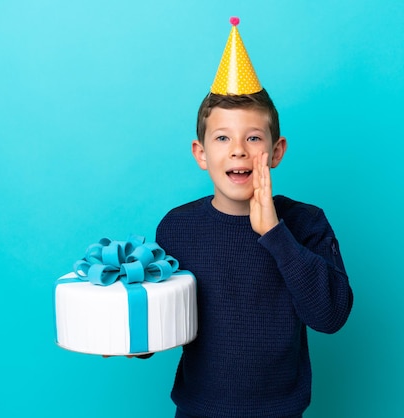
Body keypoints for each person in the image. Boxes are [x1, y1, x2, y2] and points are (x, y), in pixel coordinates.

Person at [155, 18, 353, 418]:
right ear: (201, 153)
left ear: (276, 151)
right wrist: (128, 339)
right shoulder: (177, 229)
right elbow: (164, 318)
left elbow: (330, 316)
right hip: (198, 411)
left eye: (254, 137)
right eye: (223, 138)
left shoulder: (306, 223)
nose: (238, 150)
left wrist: (275, 234)